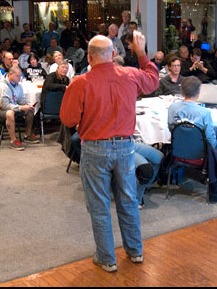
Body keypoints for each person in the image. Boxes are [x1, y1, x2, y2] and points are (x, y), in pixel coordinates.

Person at [60, 31, 159, 272]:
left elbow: (68, 118)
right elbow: (153, 80)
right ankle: (135, 251)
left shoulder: (80, 82)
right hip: (126, 146)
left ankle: (106, 258)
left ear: (90, 58)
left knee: (99, 205)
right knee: (128, 200)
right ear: (113, 55)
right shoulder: (130, 75)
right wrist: (142, 52)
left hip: (95, 148)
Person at [168, 76, 217, 174]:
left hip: (179, 146)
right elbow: (210, 139)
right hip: (199, 150)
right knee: (215, 133)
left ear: (181, 91)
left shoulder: (172, 108)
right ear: (198, 93)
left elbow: (171, 128)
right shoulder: (204, 113)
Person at [0, 66, 40, 149]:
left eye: (20, 76)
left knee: (30, 110)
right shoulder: (2, 86)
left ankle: (27, 135)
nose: (19, 78)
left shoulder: (18, 85)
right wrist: (21, 108)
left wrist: (28, 104)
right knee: (10, 113)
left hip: (11, 106)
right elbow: (5, 106)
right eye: (17, 76)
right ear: (10, 74)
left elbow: (21, 98)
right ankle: (13, 141)